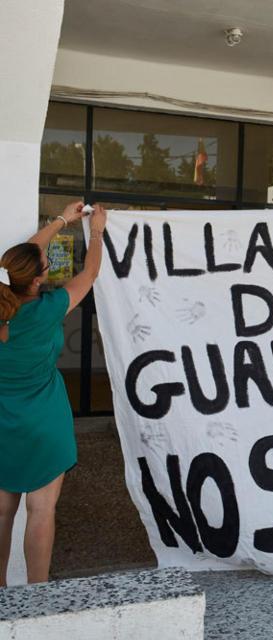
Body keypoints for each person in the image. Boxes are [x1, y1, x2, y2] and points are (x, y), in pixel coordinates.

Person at [0, 202, 107, 586]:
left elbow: (20, 259)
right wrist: (95, 230)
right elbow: (90, 272)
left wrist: (62, 219)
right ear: (36, 281)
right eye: (43, 266)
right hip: (44, 422)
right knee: (41, 510)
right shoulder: (48, 308)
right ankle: (37, 598)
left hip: (2, 422)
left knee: (1, 513)